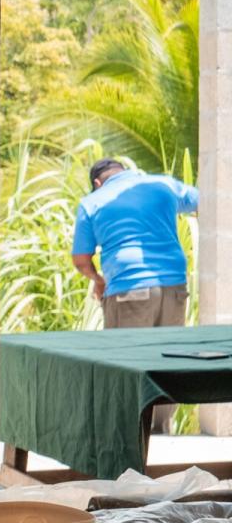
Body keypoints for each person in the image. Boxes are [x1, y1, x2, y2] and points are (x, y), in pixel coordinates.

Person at [71, 157, 199, 431]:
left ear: (98, 183)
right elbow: (202, 202)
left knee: (126, 365)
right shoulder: (163, 184)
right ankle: (161, 431)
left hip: (128, 289)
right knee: (168, 360)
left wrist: (97, 279)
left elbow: (81, 259)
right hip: (174, 286)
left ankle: (129, 435)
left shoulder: (92, 202)